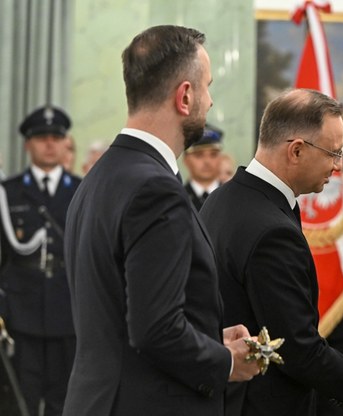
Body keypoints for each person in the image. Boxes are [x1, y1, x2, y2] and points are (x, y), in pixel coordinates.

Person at [62, 25, 259, 416]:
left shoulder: (102, 176)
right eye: (207, 87)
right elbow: (155, 330)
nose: (211, 100)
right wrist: (227, 362)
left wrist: (207, 338)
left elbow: (123, 317)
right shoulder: (155, 188)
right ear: (185, 96)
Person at [200, 88, 343, 416]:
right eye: (333, 153)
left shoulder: (224, 199)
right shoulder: (271, 229)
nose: (337, 166)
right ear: (296, 151)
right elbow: (296, 349)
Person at [0, 105, 81, 416]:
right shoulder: (9, 193)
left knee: (66, 402)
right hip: (22, 314)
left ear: (65, 144)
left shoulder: (81, 190)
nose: (49, 144)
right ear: (27, 144)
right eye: (41, 137)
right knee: (22, 401)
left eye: (56, 137)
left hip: (68, 313)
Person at [182, 123, 223, 210]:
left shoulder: (232, 196)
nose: (207, 161)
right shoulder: (176, 198)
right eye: (198, 155)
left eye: (213, 154)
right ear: (186, 160)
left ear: (220, 158)